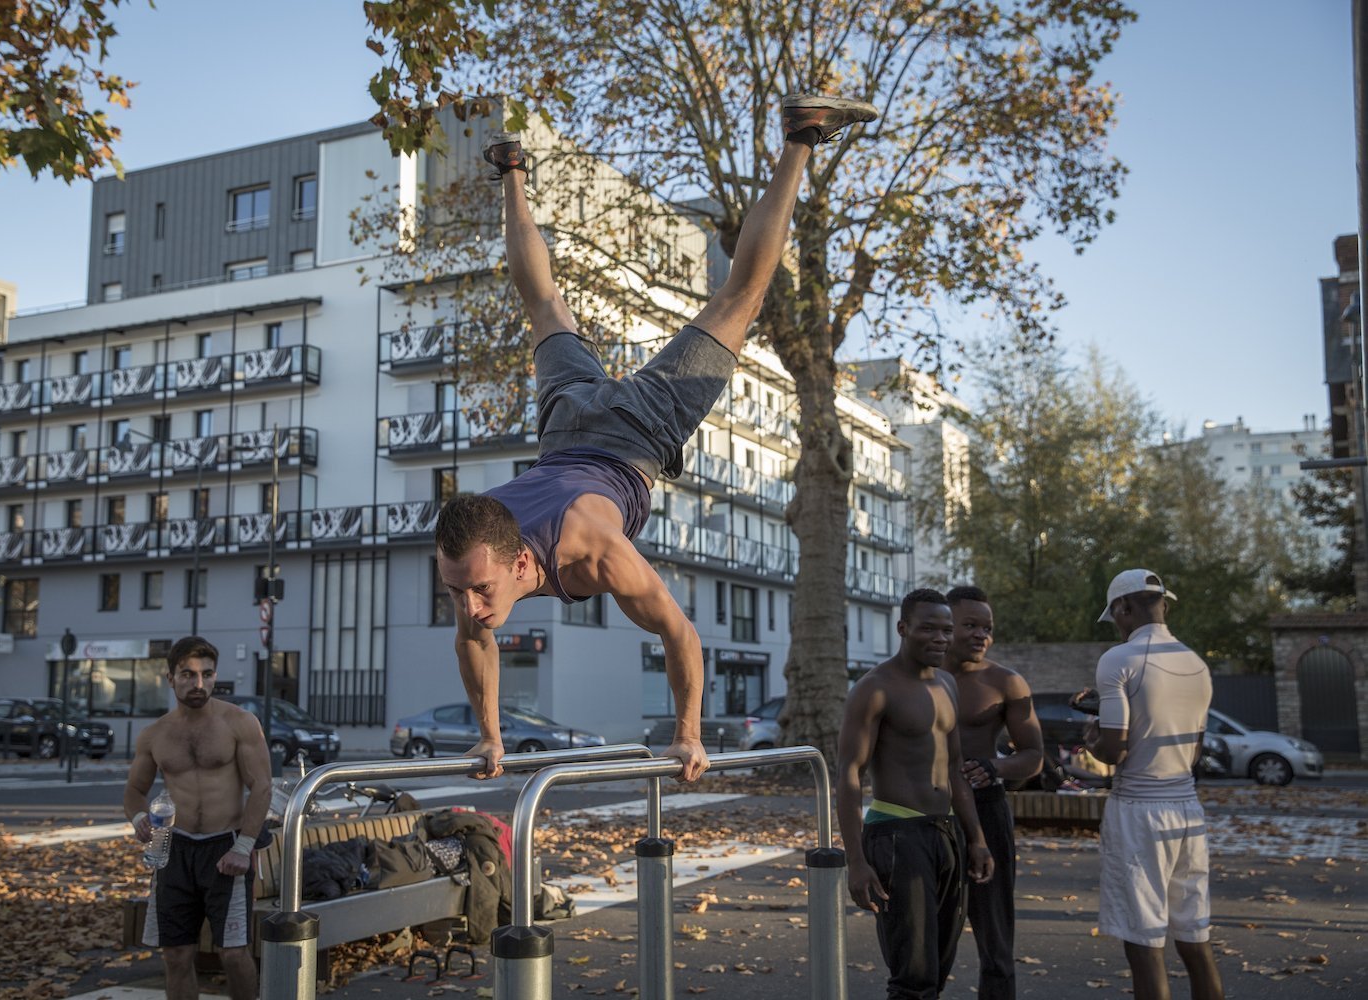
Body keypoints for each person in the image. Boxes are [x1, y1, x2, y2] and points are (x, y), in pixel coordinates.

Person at [434, 93, 880, 782]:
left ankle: (800, 138)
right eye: (458, 594)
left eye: (477, 594)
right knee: (543, 304)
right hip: (565, 422)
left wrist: (688, 734)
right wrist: (489, 737)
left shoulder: (594, 547)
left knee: (741, 296)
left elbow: (680, 633)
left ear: (523, 564)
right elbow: (474, 644)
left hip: (634, 431)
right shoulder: (478, 555)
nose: (469, 609)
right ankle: (511, 169)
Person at [838, 588, 995, 999]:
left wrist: (976, 838)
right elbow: (849, 775)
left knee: (939, 965)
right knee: (913, 974)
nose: (940, 638)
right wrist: (856, 861)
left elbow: (956, 770)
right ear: (903, 628)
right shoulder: (875, 688)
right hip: (896, 835)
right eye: (928, 628)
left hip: (944, 834)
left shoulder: (947, 684)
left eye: (946, 629)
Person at [1075, 569, 1225, 1000]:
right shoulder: (1197, 663)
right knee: (1195, 938)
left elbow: (1114, 750)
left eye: (1116, 615)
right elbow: (1194, 751)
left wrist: (1092, 740)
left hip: (1139, 810)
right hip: (1185, 806)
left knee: (1144, 944)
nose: (1117, 623)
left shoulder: (1118, 659)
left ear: (1123, 607)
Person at [124, 636, 273, 1000]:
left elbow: (262, 787)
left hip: (226, 849)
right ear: (170, 677)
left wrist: (243, 846)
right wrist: (139, 818)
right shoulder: (154, 734)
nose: (199, 684)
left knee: (234, 954)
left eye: (207, 674)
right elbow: (133, 792)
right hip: (174, 851)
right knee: (176, 955)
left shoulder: (239, 723)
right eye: (188, 675)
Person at [944, 585, 1042, 1000]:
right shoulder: (912, 680)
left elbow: (1035, 755)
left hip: (987, 810)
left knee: (996, 943)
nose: (981, 635)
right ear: (944, 626)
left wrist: (993, 767)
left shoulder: (1006, 682)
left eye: (987, 627)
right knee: (927, 945)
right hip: (927, 812)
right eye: (970, 625)